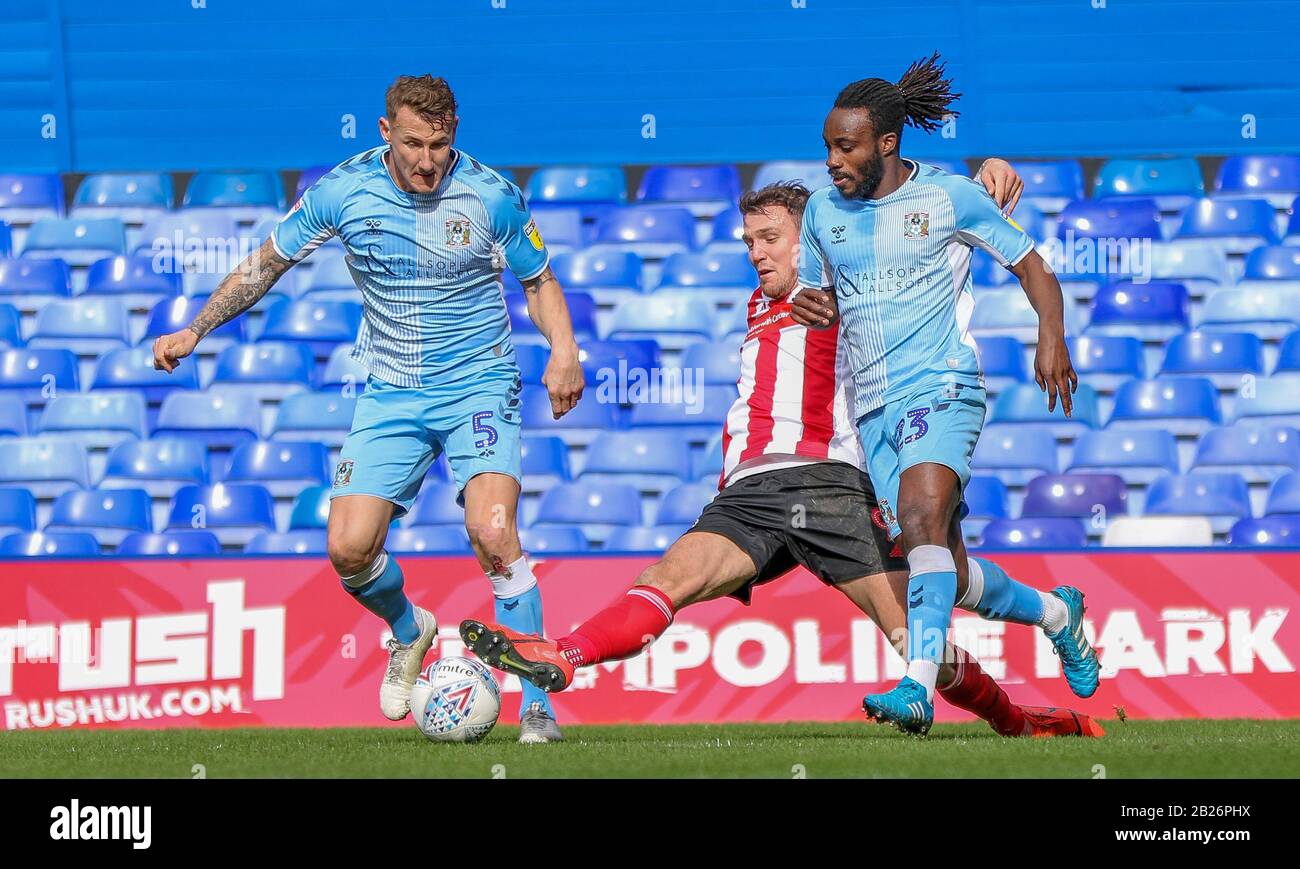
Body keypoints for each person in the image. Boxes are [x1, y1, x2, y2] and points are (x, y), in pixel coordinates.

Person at [457, 177, 1102, 739]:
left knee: (923, 630)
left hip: (831, 487)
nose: (756, 252)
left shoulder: (849, 285)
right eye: (749, 241)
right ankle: (562, 654)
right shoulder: (760, 301)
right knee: (666, 578)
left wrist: (986, 170)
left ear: (813, 235)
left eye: (770, 238)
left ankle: (1027, 699)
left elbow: (908, 209)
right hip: (748, 495)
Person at [152, 74, 584, 744]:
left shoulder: (491, 195)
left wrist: (563, 349)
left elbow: (540, 280)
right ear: (385, 133)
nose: (426, 160)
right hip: (391, 391)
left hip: (478, 383)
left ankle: (537, 704)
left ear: (455, 137)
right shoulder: (342, 191)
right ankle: (411, 632)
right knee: (349, 548)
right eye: (413, 142)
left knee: (493, 531)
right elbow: (265, 263)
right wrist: (196, 329)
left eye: (440, 145)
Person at [789, 53, 1099, 735]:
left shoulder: (950, 197)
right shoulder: (820, 213)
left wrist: (1052, 333)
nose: (833, 160)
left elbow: (1032, 265)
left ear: (887, 144)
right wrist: (811, 304)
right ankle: (1058, 613)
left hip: (943, 385)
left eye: (847, 146)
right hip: (871, 409)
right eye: (828, 147)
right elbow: (816, 296)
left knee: (922, 517)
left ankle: (915, 689)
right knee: (946, 569)